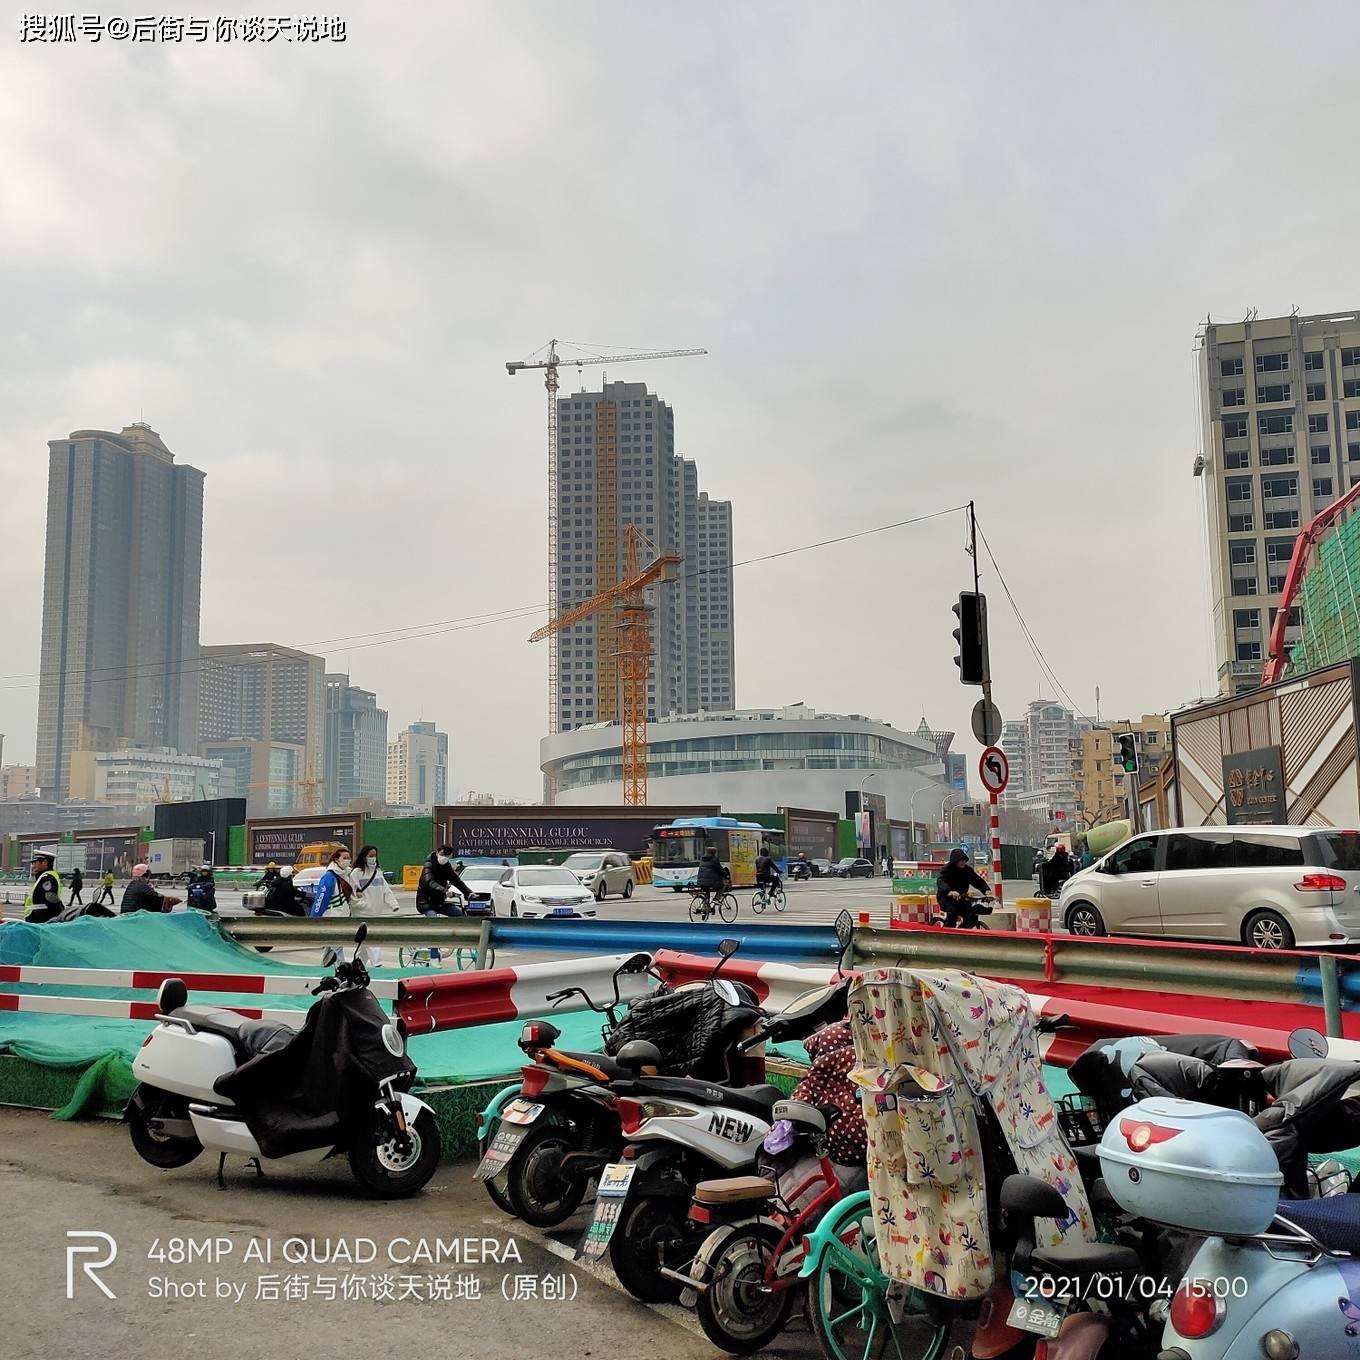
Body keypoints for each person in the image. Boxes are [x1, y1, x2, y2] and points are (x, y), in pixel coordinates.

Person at [935, 848, 992, 929]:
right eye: (960, 861)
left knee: (970, 914)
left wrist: (986, 890)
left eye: (964, 860)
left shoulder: (967, 870)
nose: (963, 862)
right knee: (953, 912)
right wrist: (949, 891)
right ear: (955, 861)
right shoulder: (947, 869)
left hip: (961, 897)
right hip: (946, 897)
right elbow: (941, 881)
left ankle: (963, 930)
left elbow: (977, 881)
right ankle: (948, 933)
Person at [416, 846, 474, 917]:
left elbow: (456, 881)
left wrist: (468, 892)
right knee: (433, 919)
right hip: (426, 903)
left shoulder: (447, 866)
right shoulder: (429, 864)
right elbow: (429, 882)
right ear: (437, 852)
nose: (444, 857)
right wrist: (445, 891)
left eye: (447, 855)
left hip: (440, 903)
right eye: (442, 854)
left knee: (459, 913)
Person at [351, 844, 401, 916]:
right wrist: (363, 905)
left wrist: (394, 905)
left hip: (376, 913)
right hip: (361, 913)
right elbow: (352, 893)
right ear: (364, 857)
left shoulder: (378, 872)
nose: (373, 858)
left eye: (374, 856)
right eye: (370, 856)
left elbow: (386, 890)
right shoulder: (356, 873)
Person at [309, 847, 355, 917]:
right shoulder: (329, 877)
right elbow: (321, 899)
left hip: (345, 915)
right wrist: (314, 918)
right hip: (332, 917)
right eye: (345, 858)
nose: (348, 860)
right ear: (336, 860)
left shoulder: (346, 875)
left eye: (349, 858)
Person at [23, 851, 64, 923]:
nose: (33, 865)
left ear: (44, 862)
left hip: (41, 919)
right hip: (38, 918)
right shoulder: (44, 876)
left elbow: (51, 898)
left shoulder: (47, 877)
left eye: (35, 862)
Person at [695, 845, 730, 913]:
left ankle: (705, 907)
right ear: (713, 853)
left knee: (707, 892)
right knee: (722, 886)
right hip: (711, 882)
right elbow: (720, 870)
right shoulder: (714, 859)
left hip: (701, 882)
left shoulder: (702, 859)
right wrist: (726, 876)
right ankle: (716, 899)